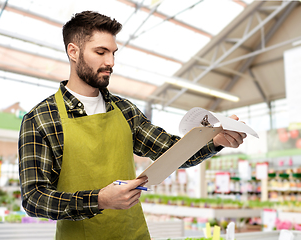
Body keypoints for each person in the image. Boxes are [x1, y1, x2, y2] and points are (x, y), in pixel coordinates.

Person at [18, 11, 247, 240]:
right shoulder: (41, 119)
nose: (111, 62)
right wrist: (100, 200)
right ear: (73, 52)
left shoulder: (125, 111)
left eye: (113, 53)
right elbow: (34, 198)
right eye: (101, 52)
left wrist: (215, 141)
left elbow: (171, 152)